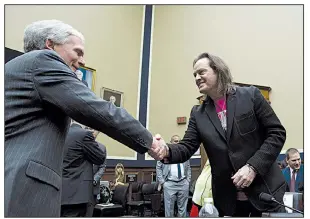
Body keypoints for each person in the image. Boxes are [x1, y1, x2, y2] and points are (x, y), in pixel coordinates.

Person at [4, 20, 164, 217]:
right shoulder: (42, 61)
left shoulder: (16, 68)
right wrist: (150, 142)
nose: (82, 60)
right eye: (78, 52)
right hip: (25, 188)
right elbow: (96, 109)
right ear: (50, 45)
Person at [156, 52, 287, 217]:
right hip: (228, 201)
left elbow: (277, 133)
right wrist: (165, 150)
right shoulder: (198, 113)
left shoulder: (251, 96)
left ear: (218, 70)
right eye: (194, 75)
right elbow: (187, 147)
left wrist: (253, 167)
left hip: (267, 194)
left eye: (201, 72)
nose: (196, 77)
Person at [61, 122, 105, 217]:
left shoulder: (60, 133)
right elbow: (100, 157)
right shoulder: (84, 135)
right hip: (77, 195)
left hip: (59, 192)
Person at [156, 135, 191, 217]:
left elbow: (188, 167)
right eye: (175, 141)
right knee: (169, 209)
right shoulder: (165, 153)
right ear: (171, 142)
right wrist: (163, 182)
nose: (177, 142)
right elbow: (158, 167)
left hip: (183, 183)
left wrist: (188, 180)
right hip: (169, 184)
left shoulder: (184, 153)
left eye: (179, 141)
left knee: (182, 209)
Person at [85, 129, 107, 217]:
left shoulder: (102, 148)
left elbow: (102, 167)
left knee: (91, 213)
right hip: (80, 186)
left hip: (94, 187)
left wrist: (94, 180)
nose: (93, 132)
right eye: (90, 129)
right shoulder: (81, 144)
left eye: (94, 130)